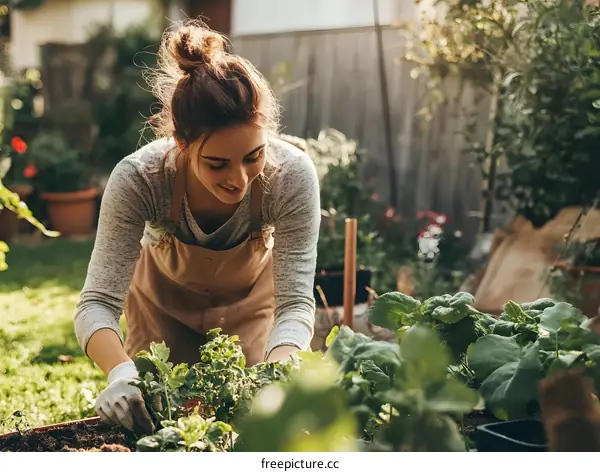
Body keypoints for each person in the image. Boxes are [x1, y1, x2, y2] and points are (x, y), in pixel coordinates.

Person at [73, 19, 321, 435]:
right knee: (160, 433)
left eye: (253, 156)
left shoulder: (291, 176)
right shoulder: (141, 178)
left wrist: (277, 371)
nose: (240, 180)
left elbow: (295, 304)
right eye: (217, 163)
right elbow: (96, 301)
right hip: (160, 316)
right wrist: (119, 370)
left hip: (250, 315)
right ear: (182, 144)